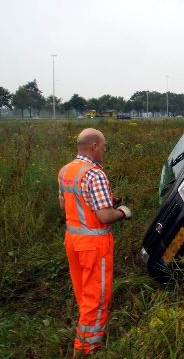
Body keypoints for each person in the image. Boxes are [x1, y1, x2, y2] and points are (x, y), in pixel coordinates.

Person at [58, 128, 132, 355]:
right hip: (93, 245)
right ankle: (86, 347)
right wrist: (122, 211)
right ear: (94, 147)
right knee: (97, 297)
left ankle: (88, 331)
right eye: (104, 145)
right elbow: (105, 216)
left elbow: (65, 205)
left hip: (72, 240)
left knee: (83, 291)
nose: (105, 149)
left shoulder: (66, 170)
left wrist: (104, 202)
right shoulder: (94, 174)